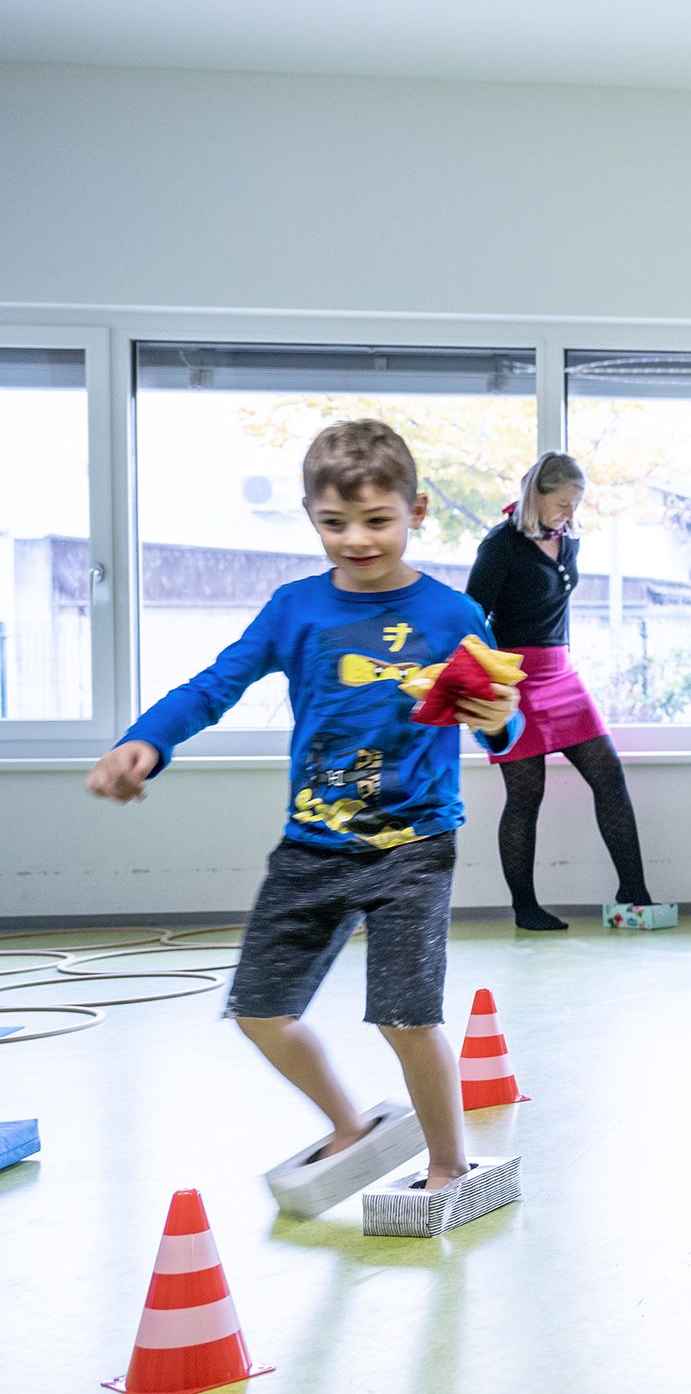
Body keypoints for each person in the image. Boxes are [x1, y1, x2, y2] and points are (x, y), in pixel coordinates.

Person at [85, 420, 521, 1203]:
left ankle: (449, 1164)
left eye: (377, 519)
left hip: (415, 845)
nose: (356, 539)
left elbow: (503, 727)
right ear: (310, 516)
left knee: (405, 1017)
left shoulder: (452, 615)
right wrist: (145, 741)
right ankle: (348, 1126)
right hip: (311, 846)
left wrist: (499, 722)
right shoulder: (295, 609)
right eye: (334, 522)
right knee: (258, 1008)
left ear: (417, 510)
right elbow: (213, 686)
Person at [465, 452, 652, 931]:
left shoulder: (568, 539)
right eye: (563, 503)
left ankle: (635, 894)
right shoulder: (501, 545)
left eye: (576, 504)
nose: (570, 513)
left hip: (561, 673)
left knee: (608, 775)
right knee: (526, 795)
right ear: (537, 495)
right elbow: (469, 615)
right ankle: (525, 909)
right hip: (514, 679)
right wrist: (486, 690)